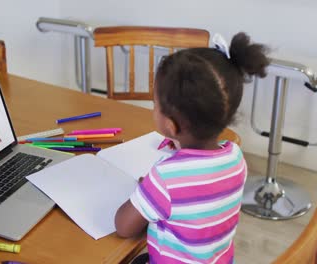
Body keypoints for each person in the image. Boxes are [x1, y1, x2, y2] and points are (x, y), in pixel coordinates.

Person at [115, 32, 270, 264]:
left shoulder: (165, 177)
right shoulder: (236, 157)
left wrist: (148, 191)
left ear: (170, 125)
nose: (153, 108)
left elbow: (123, 227)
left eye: (154, 103)